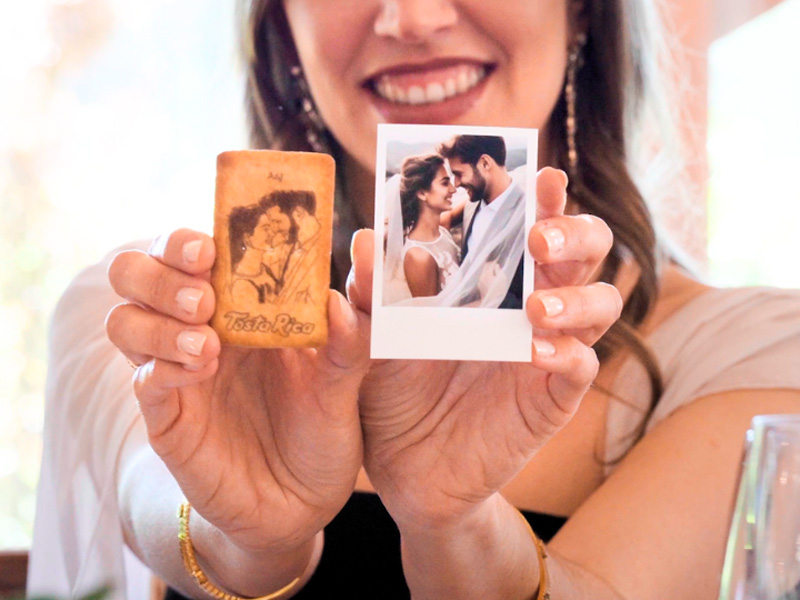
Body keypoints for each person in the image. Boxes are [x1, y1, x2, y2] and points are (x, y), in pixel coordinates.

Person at [27, 2, 800, 600]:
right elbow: (150, 500)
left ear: (585, 12)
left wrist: (452, 521)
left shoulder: (755, 358)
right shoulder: (150, 317)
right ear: (281, 27)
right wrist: (249, 533)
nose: (413, 19)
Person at [439, 134, 527, 308]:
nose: (456, 184)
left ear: (485, 163)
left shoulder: (526, 214)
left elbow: (529, 301)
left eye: (459, 174)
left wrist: (494, 298)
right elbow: (443, 219)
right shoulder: (470, 205)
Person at [398, 154, 461, 298]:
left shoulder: (442, 231)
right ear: (421, 193)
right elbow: (428, 317)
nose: (453, 189)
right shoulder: (418, 256)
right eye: (445, 183)